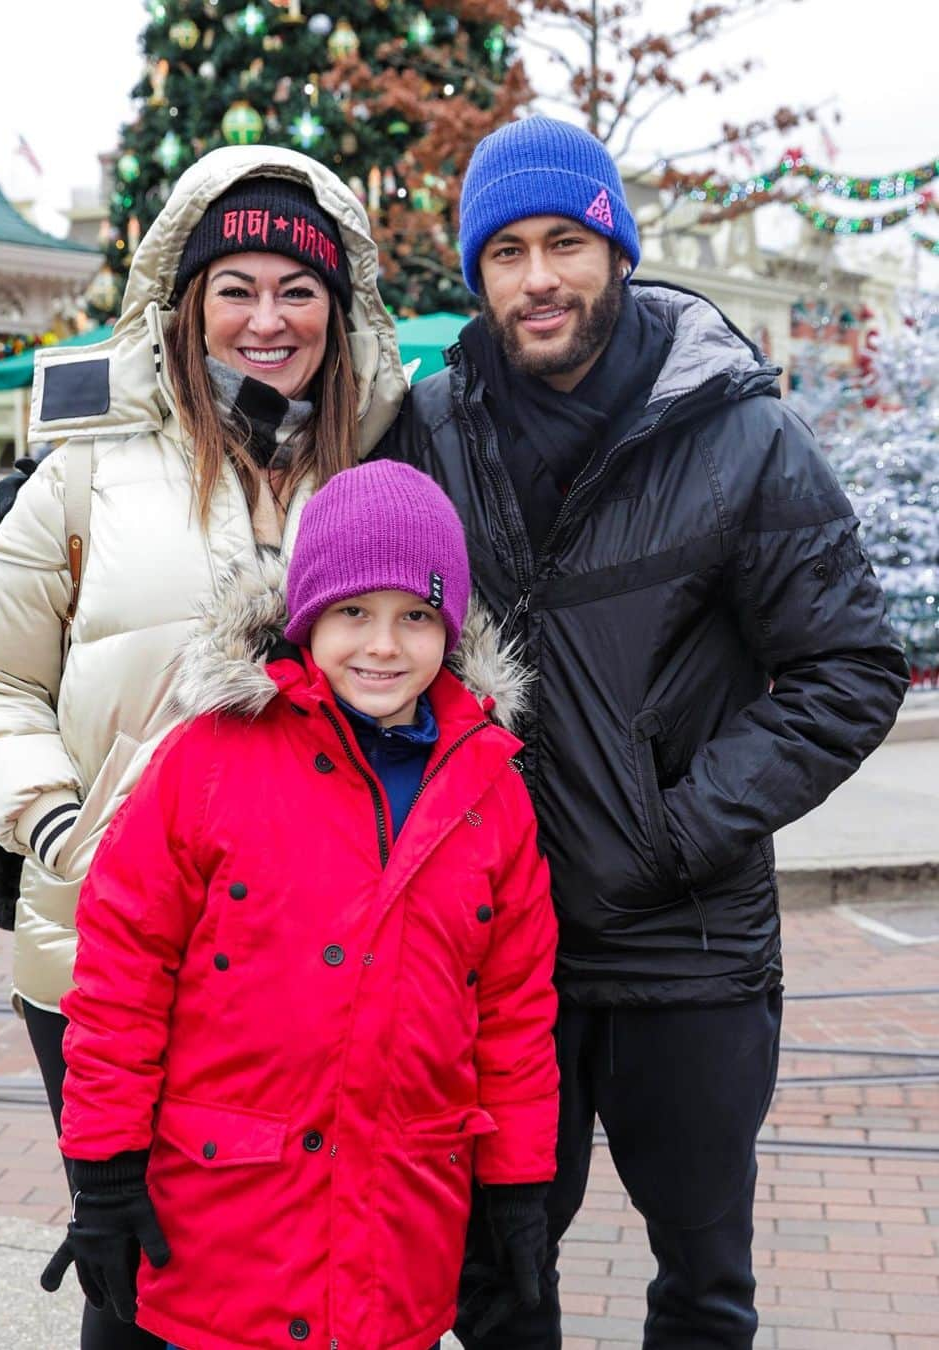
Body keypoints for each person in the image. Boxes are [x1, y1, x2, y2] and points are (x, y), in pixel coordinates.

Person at [376, 116, 909, 1349]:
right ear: (479, 276)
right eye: (506, 252)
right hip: (496, 955)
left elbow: (851, 666)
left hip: (693, 951)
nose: (539, 277)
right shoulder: (434, 432)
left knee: (703, 1286)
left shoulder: (740, 433)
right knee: (496, 1281)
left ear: (617, 250)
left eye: (566, 241)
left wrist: (672, 831)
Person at [0, 145, 408, 1350]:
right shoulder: (88, 467)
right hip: (99, 942)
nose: (266, 318)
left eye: (297, 289)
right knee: (131, 1272)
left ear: (335, 306)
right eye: (234, 285)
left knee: (279, 1266)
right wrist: (50, 819)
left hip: (307, 956)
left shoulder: (381, 467)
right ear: (187, 302)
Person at [37, 461, 560, 1350]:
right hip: (226, 1220)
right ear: (308, 616)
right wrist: (105, 1165)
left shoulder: (488, 786)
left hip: (398, 1222)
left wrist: (515, 1187)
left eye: (416, 617)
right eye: (354, 613)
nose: (383, 648)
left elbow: (514, 1008)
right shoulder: (209, 759)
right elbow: (123, 972)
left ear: (451, 627)